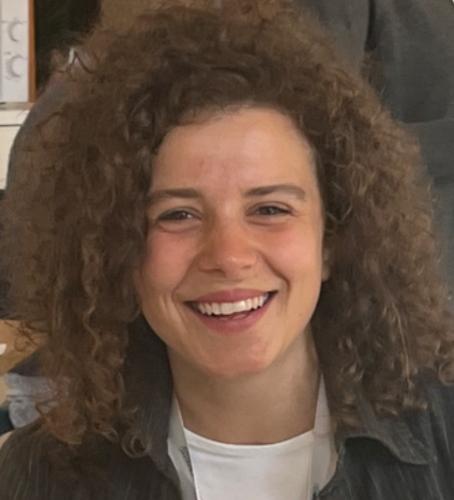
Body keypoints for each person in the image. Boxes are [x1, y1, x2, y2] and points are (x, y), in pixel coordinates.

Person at [0, 1, 453, 499]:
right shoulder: (41, 477)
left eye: (270, 209)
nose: (229, 256)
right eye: (178, 215)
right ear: (115, 249)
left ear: (333, 240)